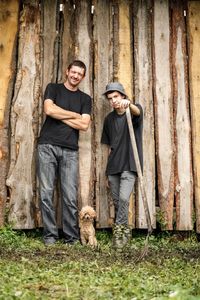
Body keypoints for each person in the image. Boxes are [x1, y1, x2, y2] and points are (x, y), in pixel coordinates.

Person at [37, 60, 92, 245]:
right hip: (47, 146)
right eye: (73, 72)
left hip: (70, 150)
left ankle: (71, 238)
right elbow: (48, 109)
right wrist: (75, 115)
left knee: (69, 195)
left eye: (80, 74)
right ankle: (50, 236)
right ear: (67, 71)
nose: (75, 76)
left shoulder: (85, 99)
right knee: (46, 193)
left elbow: (84, 125)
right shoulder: (53, 88)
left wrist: (60, 114)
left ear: (83, 77)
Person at [101, 82, 143, 250]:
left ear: (123, 96)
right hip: (113, 167)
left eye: (116, 97)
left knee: (125, 199)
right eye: (110, 98)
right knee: (119, 203)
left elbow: (138, 111)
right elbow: (109, 148)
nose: (113, 101)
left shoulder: (132, 112)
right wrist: (106, 173)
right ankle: (125, 231)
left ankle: (118, 235)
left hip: (129, 164)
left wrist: (129, 105)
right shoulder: (109, 119)